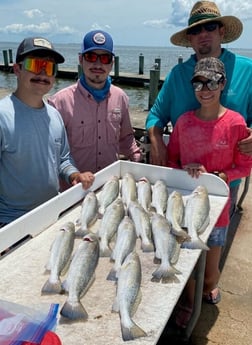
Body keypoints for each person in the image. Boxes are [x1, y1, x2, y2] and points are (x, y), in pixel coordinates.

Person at [166, 57, 252, 327]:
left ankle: (206, 287)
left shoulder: (237, 123)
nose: (205, 88)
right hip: (187, 207)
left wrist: (225, 175)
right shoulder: (183, 122)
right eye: (199, 82)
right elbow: (172, 161)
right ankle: (188, 302)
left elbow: (245, 165)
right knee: (189, 264)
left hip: (220, 212)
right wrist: (184, 169)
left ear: (222, 84)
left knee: (211, 275)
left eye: (212, 81)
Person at [145, 0, 252, 215]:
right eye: (196, 29)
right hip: (184, 176)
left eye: (210, 26)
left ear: (221, 31)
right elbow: (156, 114)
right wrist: (156, 140)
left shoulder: (247, 70)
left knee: (217, 232)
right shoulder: (177, 75)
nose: (203, 33)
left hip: (226, 179)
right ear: (190, 39)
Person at [0, 37, 95, 227]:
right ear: (17, 69)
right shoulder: (3, 115)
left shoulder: (54, 115)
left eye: (50, 68)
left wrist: (75, 175)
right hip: (11, 221)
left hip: (52, 212)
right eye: (35, 64)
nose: (43, 73)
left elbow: (63, 159)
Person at [48, 30, 142, 190]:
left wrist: (139, 161)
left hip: (109, 186)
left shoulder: (121, 97)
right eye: (91, 57)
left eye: (105, 58)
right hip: (72, 191)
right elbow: (52, 153)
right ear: (80, 59)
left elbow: (126, 138)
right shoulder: (59, 102)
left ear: (112, 63)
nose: (98, 65)